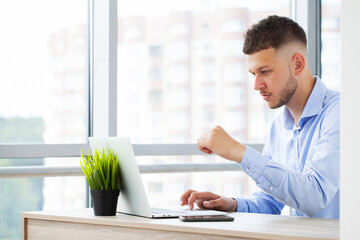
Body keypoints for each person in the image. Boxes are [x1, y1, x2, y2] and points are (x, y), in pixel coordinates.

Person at [180, 15, 339, 219]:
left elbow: (315, 197)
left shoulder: (340, 114)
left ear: (298, 64)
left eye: (265, 71)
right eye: (253, 74)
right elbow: (270, 201)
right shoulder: (279, 127)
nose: (256, 85)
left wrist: (238, 151)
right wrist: (230, 204)